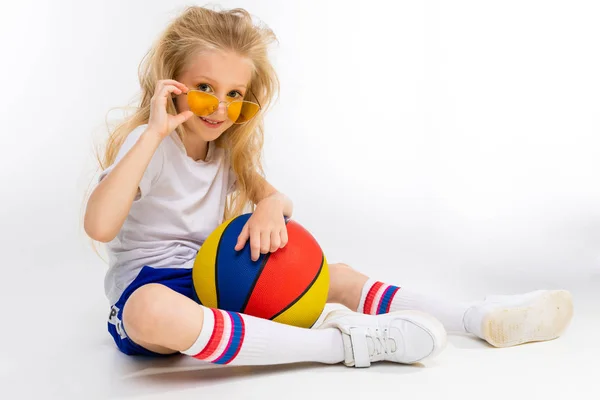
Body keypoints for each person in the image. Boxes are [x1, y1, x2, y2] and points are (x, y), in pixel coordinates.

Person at [84, 6, 573, 368]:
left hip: (212, 280)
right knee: (150, 311)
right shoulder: (146, 145)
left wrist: (270, 207)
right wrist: (152, 133)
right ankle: (343, 345)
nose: (218, 108)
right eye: (205, 87)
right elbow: (100, 226)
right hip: (151, 290)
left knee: (331, 273)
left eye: (235, 95)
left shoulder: (226, 150)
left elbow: (274, 196)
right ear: (171, 82)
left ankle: (474, 317)